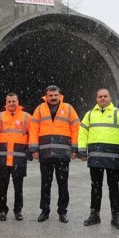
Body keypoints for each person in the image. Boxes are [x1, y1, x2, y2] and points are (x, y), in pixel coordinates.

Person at [78, 88, 119, 230]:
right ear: (96, 99)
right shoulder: (89, 115)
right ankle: (94, 214)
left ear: (110, 97)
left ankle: (116, 216)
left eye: (105, 96)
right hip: (95, 158)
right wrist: (82, 150)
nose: (102, 99)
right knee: (95, 187)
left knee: (114, 188)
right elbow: (82, 132)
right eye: (100, 96)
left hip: (113, 158)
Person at [29, 85, 80, 223]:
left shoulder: (68, 108)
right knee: (45, 184)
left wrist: (75, 149)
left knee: (63, 184)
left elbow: (76, 128)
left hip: (63, 153)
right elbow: (33, 129)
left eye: (55, 95)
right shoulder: (39, 109)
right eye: (50, 95)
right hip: (45, 153)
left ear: (59, 95)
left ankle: (62, 212)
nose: (53, 97)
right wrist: (34, 149)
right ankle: (44, 211)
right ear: (46, 96)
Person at [0, 93, 32, 221]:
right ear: (6, 102)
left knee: (18, 187)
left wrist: (30, 151)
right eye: (9, 101)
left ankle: (18, 210)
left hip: (19, 159)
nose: (11, 103)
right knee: (2, 187)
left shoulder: (27, 117)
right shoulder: (0, 116)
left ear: (18, 101)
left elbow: (32, 135)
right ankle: (2, 211)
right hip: (3, 158)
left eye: (13, 101)